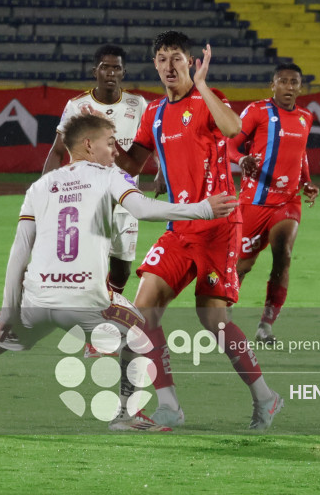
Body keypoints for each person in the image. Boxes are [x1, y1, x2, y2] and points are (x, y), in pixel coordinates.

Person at [0, 114, 238, 432]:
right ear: (88, 145)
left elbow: (19, 251)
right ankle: (124, 415)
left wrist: (8, 309)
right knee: (142, 331)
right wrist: (202, 209)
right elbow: (142, 209)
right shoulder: (108, 176)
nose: (116, 152)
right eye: (110, 143)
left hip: (38, 297)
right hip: (87, 300)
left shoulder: (39, 187)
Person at [114, 30, 283, 430]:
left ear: (190, 62)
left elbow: (232, 128)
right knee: (144, 313)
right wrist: (99, 141)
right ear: (154, 64)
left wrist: (204, 85)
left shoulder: (207, 99)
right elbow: (133, 163)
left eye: (176, 58)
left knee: (213, 322)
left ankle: (266, 398)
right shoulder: (154, 113)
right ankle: (169, 405)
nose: (169, 66)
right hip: (180, 226)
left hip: (220, 226)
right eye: (161, 58)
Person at [44, 45, 147, 307]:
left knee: (122, 270)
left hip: (126, 200)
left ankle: (108, 310)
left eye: (116, 67)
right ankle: (99, 324)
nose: (111, 72)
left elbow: (150, 146)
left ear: (124, 72)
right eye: (105, 67)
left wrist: (161, 172)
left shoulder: (137, 105)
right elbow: (57, 151)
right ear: (95, 71)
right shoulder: (78, 106)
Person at [227, 63, 320, 345]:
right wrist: (241, 159)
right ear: (273, 85)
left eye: (294, 83)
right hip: (255, 201)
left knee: (284, 254)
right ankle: (223, 318)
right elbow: (230, 145)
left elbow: (301, 153)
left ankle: (266, 325)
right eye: (283, 82)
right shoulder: (257, 112)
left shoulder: (306, 117)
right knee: (242, 265)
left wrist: (306, 182)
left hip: (288, 201)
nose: (289, 87)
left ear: (300, 88)